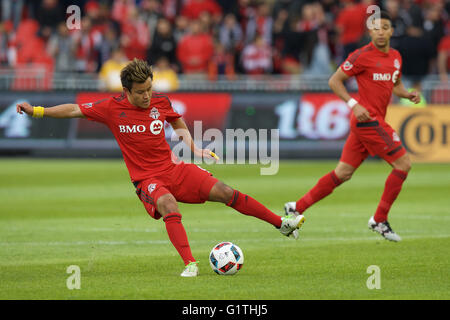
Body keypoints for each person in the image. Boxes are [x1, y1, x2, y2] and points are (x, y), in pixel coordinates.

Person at [16, 58, 303, 277]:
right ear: (126, 90)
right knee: (167, 203)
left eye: (150, 89)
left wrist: (193, 147)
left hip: (174, 168)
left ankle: (282, 225)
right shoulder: (111, 108)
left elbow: (176, 121)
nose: (147, 96)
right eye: (141, 92)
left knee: (226, 191)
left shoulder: (160, 101)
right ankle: (190, 264)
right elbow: (75, 109)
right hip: (146, 179)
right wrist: (38, 111)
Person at [284, 11, 421, 242]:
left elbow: (394, 83)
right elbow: (334, 80)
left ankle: (296, 207)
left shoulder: (396, 57)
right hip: (367, 120)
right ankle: (379, 219)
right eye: (375, 28)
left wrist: (406, 94)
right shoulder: (361, 55)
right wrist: (353, 104)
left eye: (384, 27)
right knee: (403, 163)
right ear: (370, 31)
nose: (380, 31)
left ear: (391, 31)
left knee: (343, 173)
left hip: (372, 121)